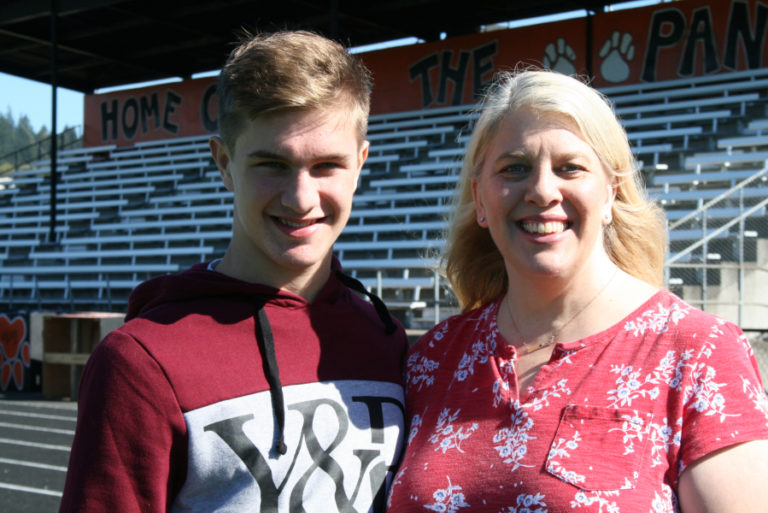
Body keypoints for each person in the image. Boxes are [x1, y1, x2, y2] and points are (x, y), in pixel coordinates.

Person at [387, 68, 768, 512]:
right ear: (481, 199)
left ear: (611, 193)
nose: (543, 191)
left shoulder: (699, 352)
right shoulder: (431, 360)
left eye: (570, 168)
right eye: (515, 168)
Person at [59, 30, 408, 513]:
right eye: (272, 164)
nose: (300, 198)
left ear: (361, 163)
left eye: (327, 166)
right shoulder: (140, 362)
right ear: (224, 162)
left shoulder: (387, 339)